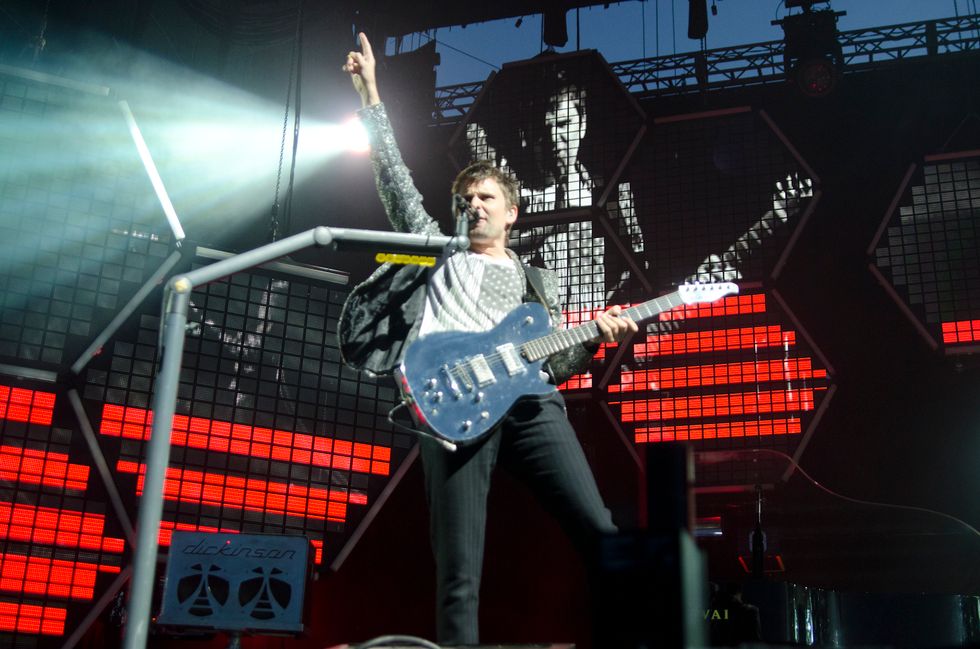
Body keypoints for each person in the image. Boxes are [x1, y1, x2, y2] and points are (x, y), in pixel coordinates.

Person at [338, 33, 638, 646]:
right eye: (465, 199)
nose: (473, 205)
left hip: (530, 404)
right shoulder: (435, 252)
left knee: (601, 531)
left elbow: (552, 364)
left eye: (486, 197)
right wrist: (371, 94)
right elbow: (394, 177)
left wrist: (596, 338)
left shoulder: (538, 282)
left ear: (511, 212)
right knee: (459, 572)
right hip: (452, 405)